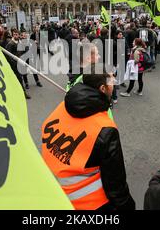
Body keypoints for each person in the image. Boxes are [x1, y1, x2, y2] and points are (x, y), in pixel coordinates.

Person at [41, 67, 135, 210]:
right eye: (111, 80)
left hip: (52, 189)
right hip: (86, 202)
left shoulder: (63, 106)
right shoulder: (105, 128)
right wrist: (127, 206)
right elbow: (115, 182)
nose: (114, 82)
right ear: (103, 88)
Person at [5, 29, 31, 99]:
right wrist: (14, 63)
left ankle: (18, 93)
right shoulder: (10, 44)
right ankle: (23, 94)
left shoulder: (20, 42)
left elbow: (23, 52)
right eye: (14, 34)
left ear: (19, 35)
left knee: (19, 79)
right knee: (19, 79)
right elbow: (8, 56)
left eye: (16, 34)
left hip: (20, 64)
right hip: (14, 66)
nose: (15, 36)